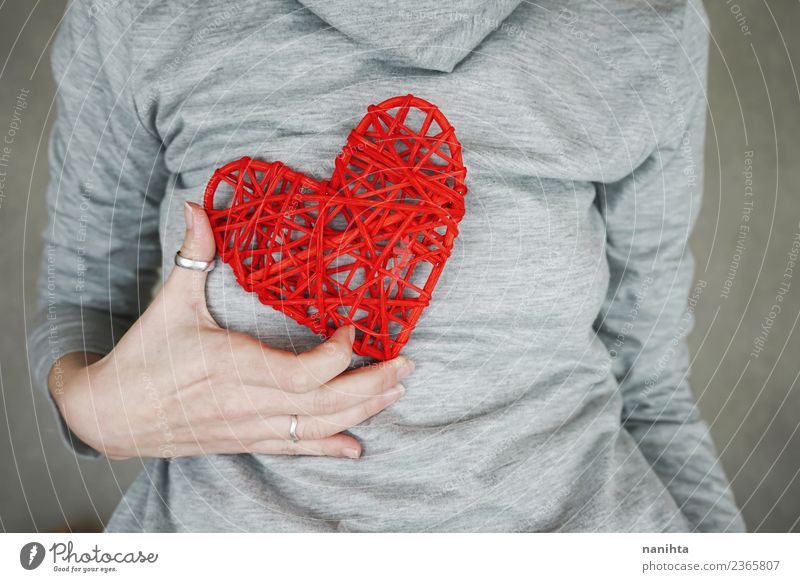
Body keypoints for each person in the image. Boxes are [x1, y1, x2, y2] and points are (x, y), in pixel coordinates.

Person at [28, 0, 745, 532]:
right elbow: (79, 294)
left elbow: (649, 386)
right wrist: (92, 410)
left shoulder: (643, 24)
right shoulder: (143, 14)